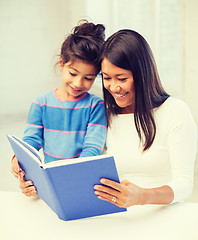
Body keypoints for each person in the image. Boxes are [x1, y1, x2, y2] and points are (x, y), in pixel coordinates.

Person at [94, 29, 197, 208]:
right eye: (107, 78)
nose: (113, 87)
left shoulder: (175, 111)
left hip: (163, 218)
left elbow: (185, 185)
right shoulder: (105, 115)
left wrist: (142, 196)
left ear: (143, 74)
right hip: (118, 221)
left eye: (121, 78)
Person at [11, 20, 107, 197]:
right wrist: (20, 159)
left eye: (88, 78)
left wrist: (73, 176)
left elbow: (92, 148)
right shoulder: (41, 103)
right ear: (62, 63)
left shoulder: (96, 106)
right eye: (73, 73)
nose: (78, 83)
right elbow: (31, 141)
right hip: (51, 181)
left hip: (82, 180)